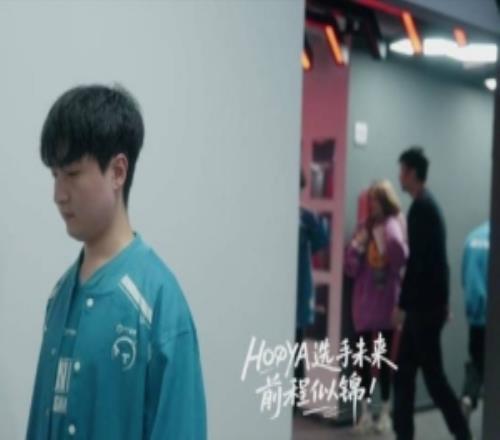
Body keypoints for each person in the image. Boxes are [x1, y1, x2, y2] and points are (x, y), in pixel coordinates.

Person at [27, 85, 207, 439]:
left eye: (72, 174)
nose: (58, 194)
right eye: (54, 175)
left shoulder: (159, 304)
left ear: (118, 172)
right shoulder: (59, 296)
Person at [392, 147, 471, 440]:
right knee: (406, 375)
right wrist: (443, 303)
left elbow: (419, 263)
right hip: (426, 309)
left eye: (402, 171)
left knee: (431, 379)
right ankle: (409, 433)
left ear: (412, 173)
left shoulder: (422, 209)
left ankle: (461, 432)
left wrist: (402, 305)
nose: (399, 176)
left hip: (422, 311)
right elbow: (439, 263)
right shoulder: (428, 206)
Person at [345, 180, 408, 434]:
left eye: (377, 200)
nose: (373, 205)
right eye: (371, 200)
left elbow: (401, 259)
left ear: (386, 202)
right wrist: (358, 246)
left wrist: (390, 233)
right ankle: (364, 413)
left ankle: (384, 411)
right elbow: (350, 267)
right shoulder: (364, 228)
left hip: (386, 303)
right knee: (362, 359)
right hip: (364, 304)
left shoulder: (396, 226)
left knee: (383, 360)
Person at [295, 171, 329, 391]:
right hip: (284, 293)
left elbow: (321, 242)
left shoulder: (306, 218)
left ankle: (295, 399)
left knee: (296, 347)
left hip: (299, 292)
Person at [461, 221, 489, 420]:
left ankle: (468, 397)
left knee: (477, 361)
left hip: (478, 318)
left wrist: (474, 312)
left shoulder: (473, 238)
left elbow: (466, 278)